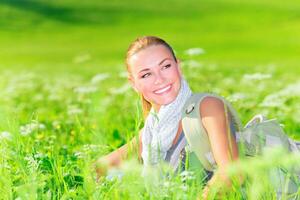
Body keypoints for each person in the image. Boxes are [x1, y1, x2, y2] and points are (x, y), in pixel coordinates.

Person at [95, 36, 242, 197]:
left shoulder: (207, 108)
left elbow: (232, 174)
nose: (160, 79)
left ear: (178, 66)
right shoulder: (151, 132)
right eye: (146, 75)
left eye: (165, 66)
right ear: (134, 84)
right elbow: (100, 168)